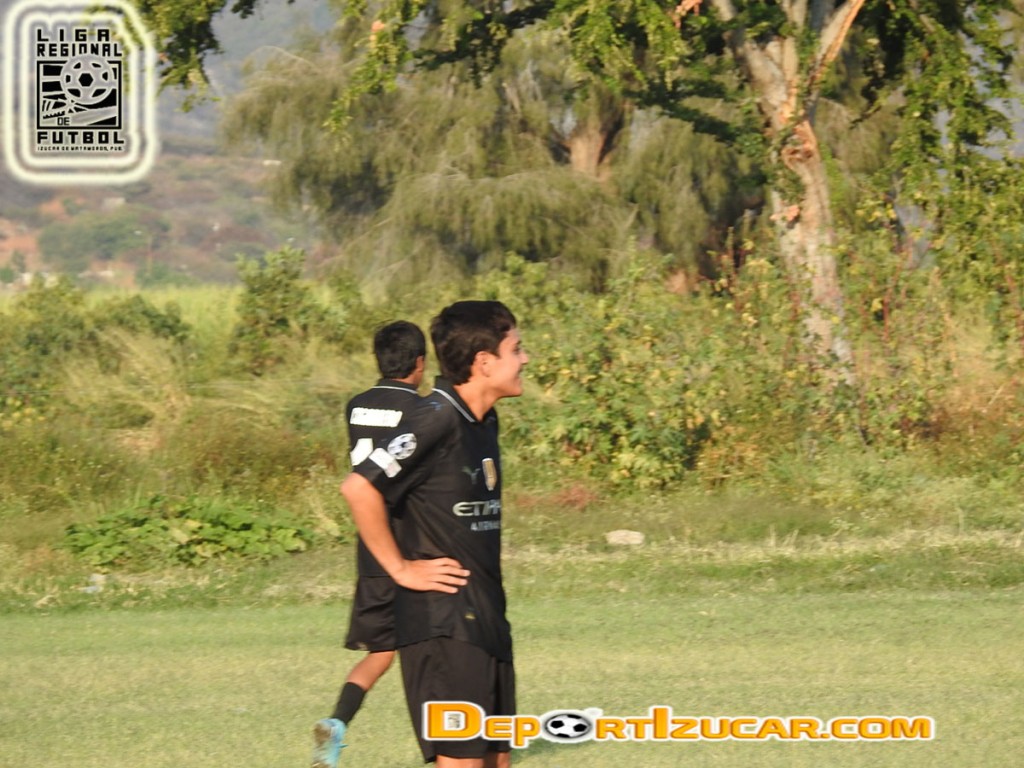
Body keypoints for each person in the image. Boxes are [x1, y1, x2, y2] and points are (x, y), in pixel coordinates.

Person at [340, 300, 528, 768]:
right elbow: (359, 488)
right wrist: (400, 569)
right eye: (516, 349)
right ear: (484, 362)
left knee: (497, 759)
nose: (525, 359)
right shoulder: (435, 417)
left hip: (486, 618)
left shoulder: (483, 419)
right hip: (443, 625)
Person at [312, 320, 427, 768]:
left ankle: (338, 722)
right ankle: (455, 740)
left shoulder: (356, 406)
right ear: (420, 363)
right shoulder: (423, 411)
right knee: (434, 646)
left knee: (382, 651)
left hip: (371, 544)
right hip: (413, 545)